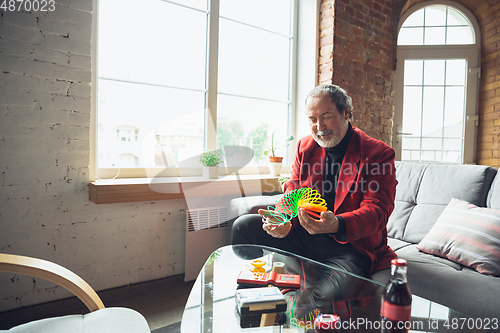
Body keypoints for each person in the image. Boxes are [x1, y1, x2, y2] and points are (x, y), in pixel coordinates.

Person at [231, 84, 398, 315]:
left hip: (348, 245)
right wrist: (282, 220)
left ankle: (291, 310)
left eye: (326, 117)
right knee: (242, 228)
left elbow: (378, 210)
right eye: (312, 119)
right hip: (306, 235)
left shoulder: (377, 153)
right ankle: (260, 281)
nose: (319, 127)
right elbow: (293, 191)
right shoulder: (305, 146)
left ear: (346, 113)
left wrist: (337, 224)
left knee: (326, 295)